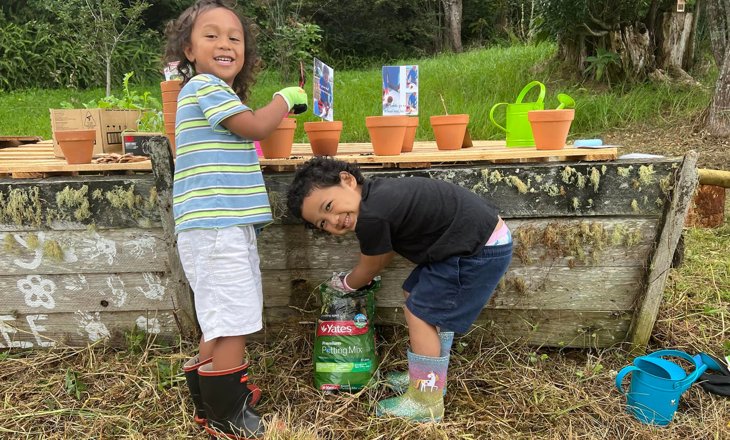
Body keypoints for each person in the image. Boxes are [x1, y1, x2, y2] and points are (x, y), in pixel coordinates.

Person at [163, 1, 307, 438]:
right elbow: (259, 127)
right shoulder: (206, 87)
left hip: (218, 224)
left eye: (234, 37)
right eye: (211, 35)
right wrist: (285, 99)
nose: (225, 42)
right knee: (234, 320)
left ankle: (212, 403)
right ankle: (230, 418)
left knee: (221, 318)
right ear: (188, 49)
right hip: (215, 225)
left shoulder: (215, 95)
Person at [286, 158, 513, 422]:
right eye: (323, 223)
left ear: (347, 181)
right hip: (473, 241)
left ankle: (425, 401)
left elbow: (373, 265)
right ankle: (430, 376)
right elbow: (385, 251)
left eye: (329, 206)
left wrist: (347, 284)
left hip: (477, 249)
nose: (334, 221)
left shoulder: (373, 215)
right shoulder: (377, 198)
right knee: (414, 293)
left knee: (420, 313)